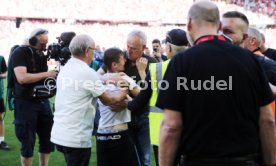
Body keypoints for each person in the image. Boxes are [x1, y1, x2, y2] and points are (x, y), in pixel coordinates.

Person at [157, 1, 276, 166]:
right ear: (218, 25)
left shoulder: (181, 62)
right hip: (244, 161)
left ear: (189, 23)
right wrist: (270, 162)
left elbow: (171, 126)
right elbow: (267, 119)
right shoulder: (249, 60)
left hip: (198, 161)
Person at [51, 35, 127, 166]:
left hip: (60, 133)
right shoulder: (87, 72)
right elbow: (109, 100)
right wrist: (124, 90)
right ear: (87, 51)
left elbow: (88, 80)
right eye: (94, 49)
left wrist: (106, 77)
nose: (95, 52)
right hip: (76, 137)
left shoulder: (66, 68)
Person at [128, 29, 189, 166]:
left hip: (162, 132)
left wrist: (124, 101)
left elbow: (140, 100)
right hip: (191, 132)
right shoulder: (198, 66)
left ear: (168, 47)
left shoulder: (156, 69)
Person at [97, 30, 157, 166]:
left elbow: (153, 92)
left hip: (143, 116)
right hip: (124, 118)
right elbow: (95, 76)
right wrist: (108, 77)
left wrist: (142, 72)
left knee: (145, 158)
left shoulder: (152, 63)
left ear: (143, 48)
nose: (128, 51)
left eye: (133, 48)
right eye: (127, 46)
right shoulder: (119, 58)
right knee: (128, 158)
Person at [10, 28, 58, 166]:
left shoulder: (41, 55)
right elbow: (22, 78)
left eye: (46, 43)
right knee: (27, 142)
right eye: (42, 44)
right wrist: (47, 74)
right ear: (32, 41)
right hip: (25, 103)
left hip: (43, 101)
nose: (45, 47)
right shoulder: (19, 52)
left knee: (47, 140)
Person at [96, 47, 140, 166]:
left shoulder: (96, 81)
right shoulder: (124, 78)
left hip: (101, 135)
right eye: (122, 59)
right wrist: (129, 99)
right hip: (120, 134)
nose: (125, 60)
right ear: (114, 64)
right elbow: (143, 97)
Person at [0, 55, 9, 150]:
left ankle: (1, 141)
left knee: (0, 118)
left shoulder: (1, 58)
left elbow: (5, 73)